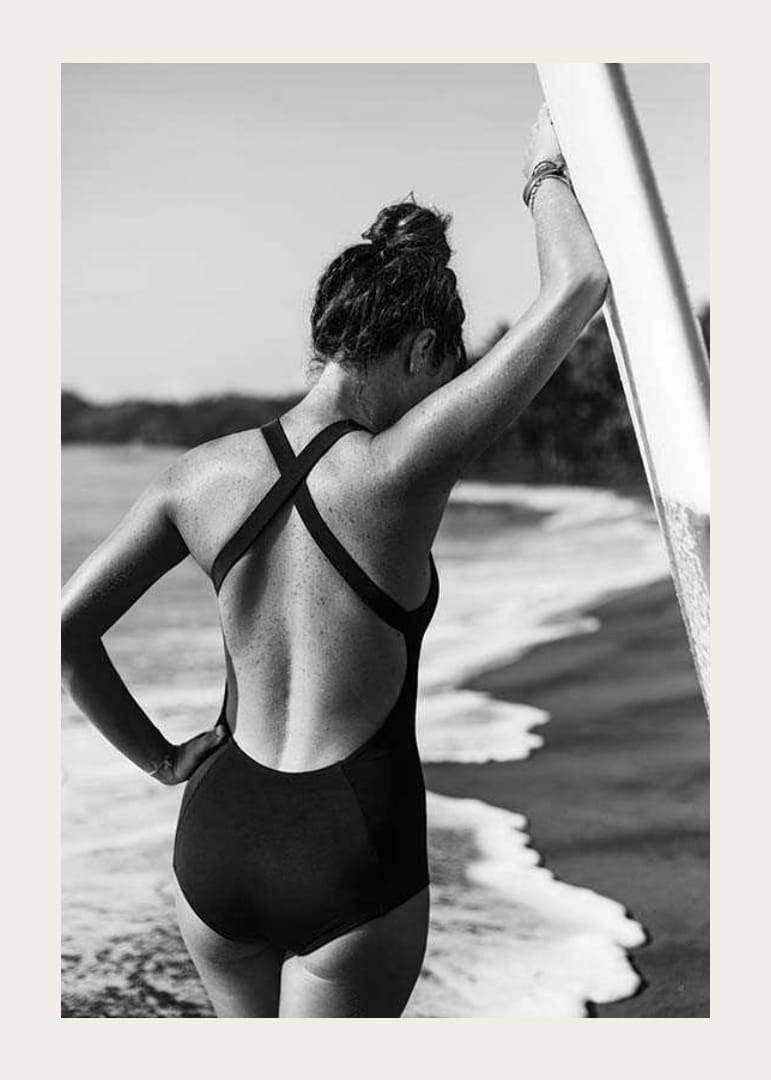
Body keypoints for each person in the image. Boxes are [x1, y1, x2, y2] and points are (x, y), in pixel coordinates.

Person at [61, 106, 608, 1018]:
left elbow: (62, 630)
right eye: (443, 372)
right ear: (423, 349)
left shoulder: (194, 478)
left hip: (217, 833)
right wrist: (543, 172)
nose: (439, 396)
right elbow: (579, 283)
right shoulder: (398, 469)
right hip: (348, 844)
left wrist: (160, 760)